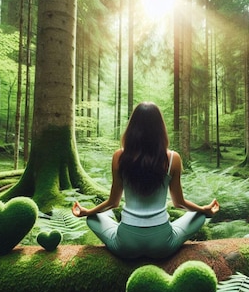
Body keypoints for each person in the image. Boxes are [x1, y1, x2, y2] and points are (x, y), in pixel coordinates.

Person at [72, 102, 220, 259]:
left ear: (132, 128)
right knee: (198, 216)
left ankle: (113, 228)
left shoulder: (119, 157)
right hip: (162, 244)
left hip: (126, 244)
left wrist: (87, 212)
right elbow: (179, 203)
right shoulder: (172, 159)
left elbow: (113, 203)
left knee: (93, 218)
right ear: (160, 129)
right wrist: (204, 210)